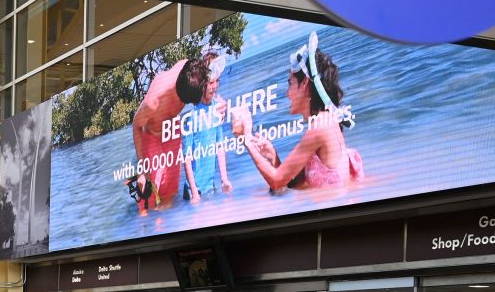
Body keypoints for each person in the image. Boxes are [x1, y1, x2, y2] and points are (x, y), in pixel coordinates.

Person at [231, 31, 363, 191]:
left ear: (305, 84)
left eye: (290, 83)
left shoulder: (319, 127)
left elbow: (276, 182)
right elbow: (295, 184)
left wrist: (246, 140)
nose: (287, 93)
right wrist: (272, 155)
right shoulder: (326, 121)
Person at [127, 56, 211, 209]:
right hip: (152, 134)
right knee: (151, 193)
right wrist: (142, 170)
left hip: (171, 130)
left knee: (170, 191)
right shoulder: (153, 102)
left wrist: (215, 107)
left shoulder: (192, 70)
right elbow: (136, 125)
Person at [182, 54, 233, 204]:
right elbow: (187, 158)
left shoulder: (216, 110)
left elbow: (220, 146)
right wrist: (194, 194)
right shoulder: (191, 117)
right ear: (201, 83)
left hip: (211, 186)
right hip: (194, 190)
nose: (215, 86)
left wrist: (224, 179)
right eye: (211, 82)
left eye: (217, 81)